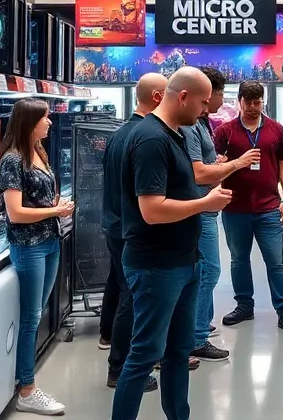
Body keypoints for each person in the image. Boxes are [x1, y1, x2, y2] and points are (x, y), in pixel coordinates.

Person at [113, 67, 234, 420]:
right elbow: (151, 210)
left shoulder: (178, 134)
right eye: (201, 102)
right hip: (155, 265)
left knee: (178, 351)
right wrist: (204, 203)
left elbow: (188, 180)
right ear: (182, 97)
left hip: (184, 261)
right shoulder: (151, 139)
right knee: (144, 354)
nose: (206, 110)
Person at [0, 98, 75, 416]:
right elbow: (15, 213)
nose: (50, 122)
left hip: (50, 241)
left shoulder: (38, 152)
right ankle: (27, 388)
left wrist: (55, 207)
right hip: (29, 246)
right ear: (30, 121)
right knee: (30, 319)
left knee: (36, 315)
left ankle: (24, 379)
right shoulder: (13, 160)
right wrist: (56, 210)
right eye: (45, 117)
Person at [211, 80, 283, 337]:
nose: (253, 107)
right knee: (238, 259)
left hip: (268, 208)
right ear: (239, 101)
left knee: (276, 261)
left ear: (263, 101)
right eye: (248, 102)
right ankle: (244, 305)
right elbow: (214, 166)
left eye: (258, 102)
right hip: (234, 208)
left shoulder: (276, 130)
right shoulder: (225, 132)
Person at [100, 73, 168, 392]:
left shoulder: (121, 134)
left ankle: (130, 358)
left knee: (124, 291)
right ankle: (121, 368)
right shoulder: (144, 136)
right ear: (156, 97)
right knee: (132, 297)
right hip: (128, 229)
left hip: (115, 224)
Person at [183, 67, 243, 363]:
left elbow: (204, 164)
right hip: (200, 207)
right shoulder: (191, 126)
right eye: (216, 95)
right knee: (208, 271)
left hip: (205, 206)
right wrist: (234, 165)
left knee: (205, 271)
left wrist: (215, 161)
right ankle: (195, 338)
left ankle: (199, 324)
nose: (216, 103)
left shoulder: (201, 123)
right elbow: (199, 173)